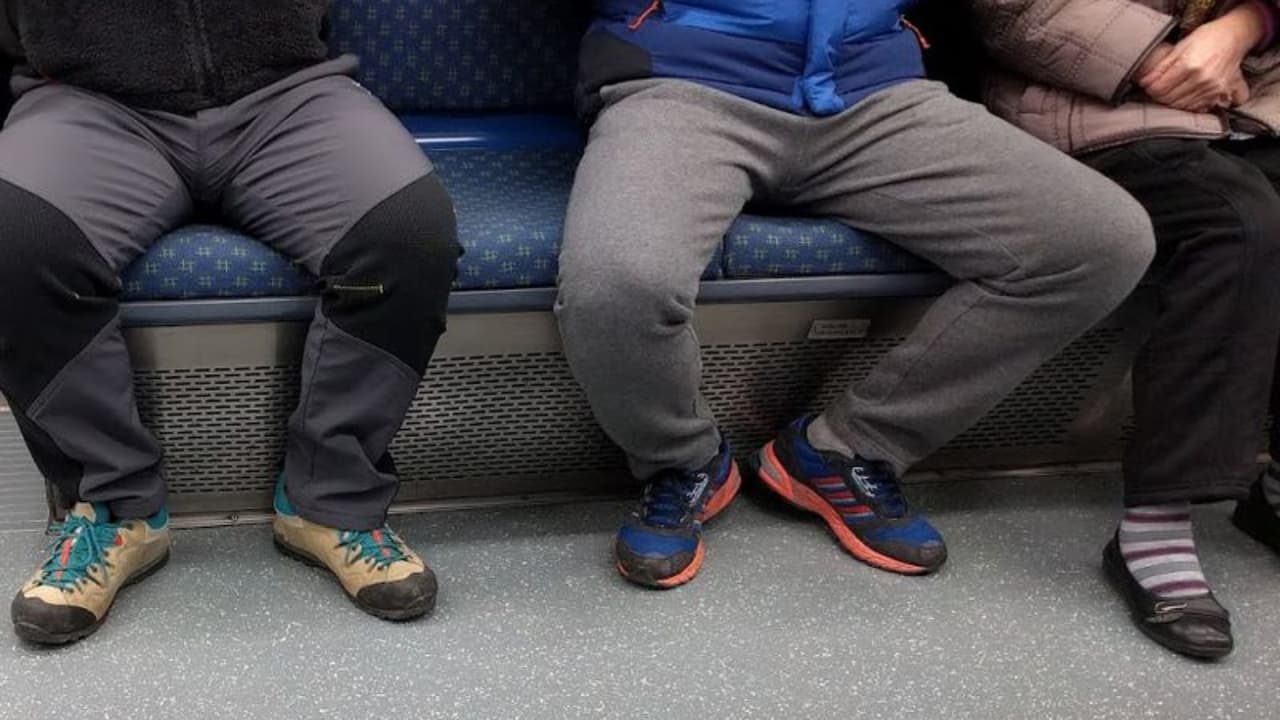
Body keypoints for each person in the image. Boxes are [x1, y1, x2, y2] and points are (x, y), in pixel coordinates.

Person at [557, 1, 1157, 591]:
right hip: (682, 83)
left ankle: (847, 449)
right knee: (619, 284)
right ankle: (683, 461)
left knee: (1100, 241)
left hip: (872, 91)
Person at [0, 1, 460, 645]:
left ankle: (331, 500)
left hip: (285, 94)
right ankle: (112, 508)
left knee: (405, 237)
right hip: (89, 101)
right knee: (16, 239)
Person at [972, 0, 1280, 659]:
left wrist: (1246, 25)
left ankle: (1273, 491)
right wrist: (1153, 56)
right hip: (1084, 93)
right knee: (1235, 220)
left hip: (1246, 87)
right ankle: (1156, 524)